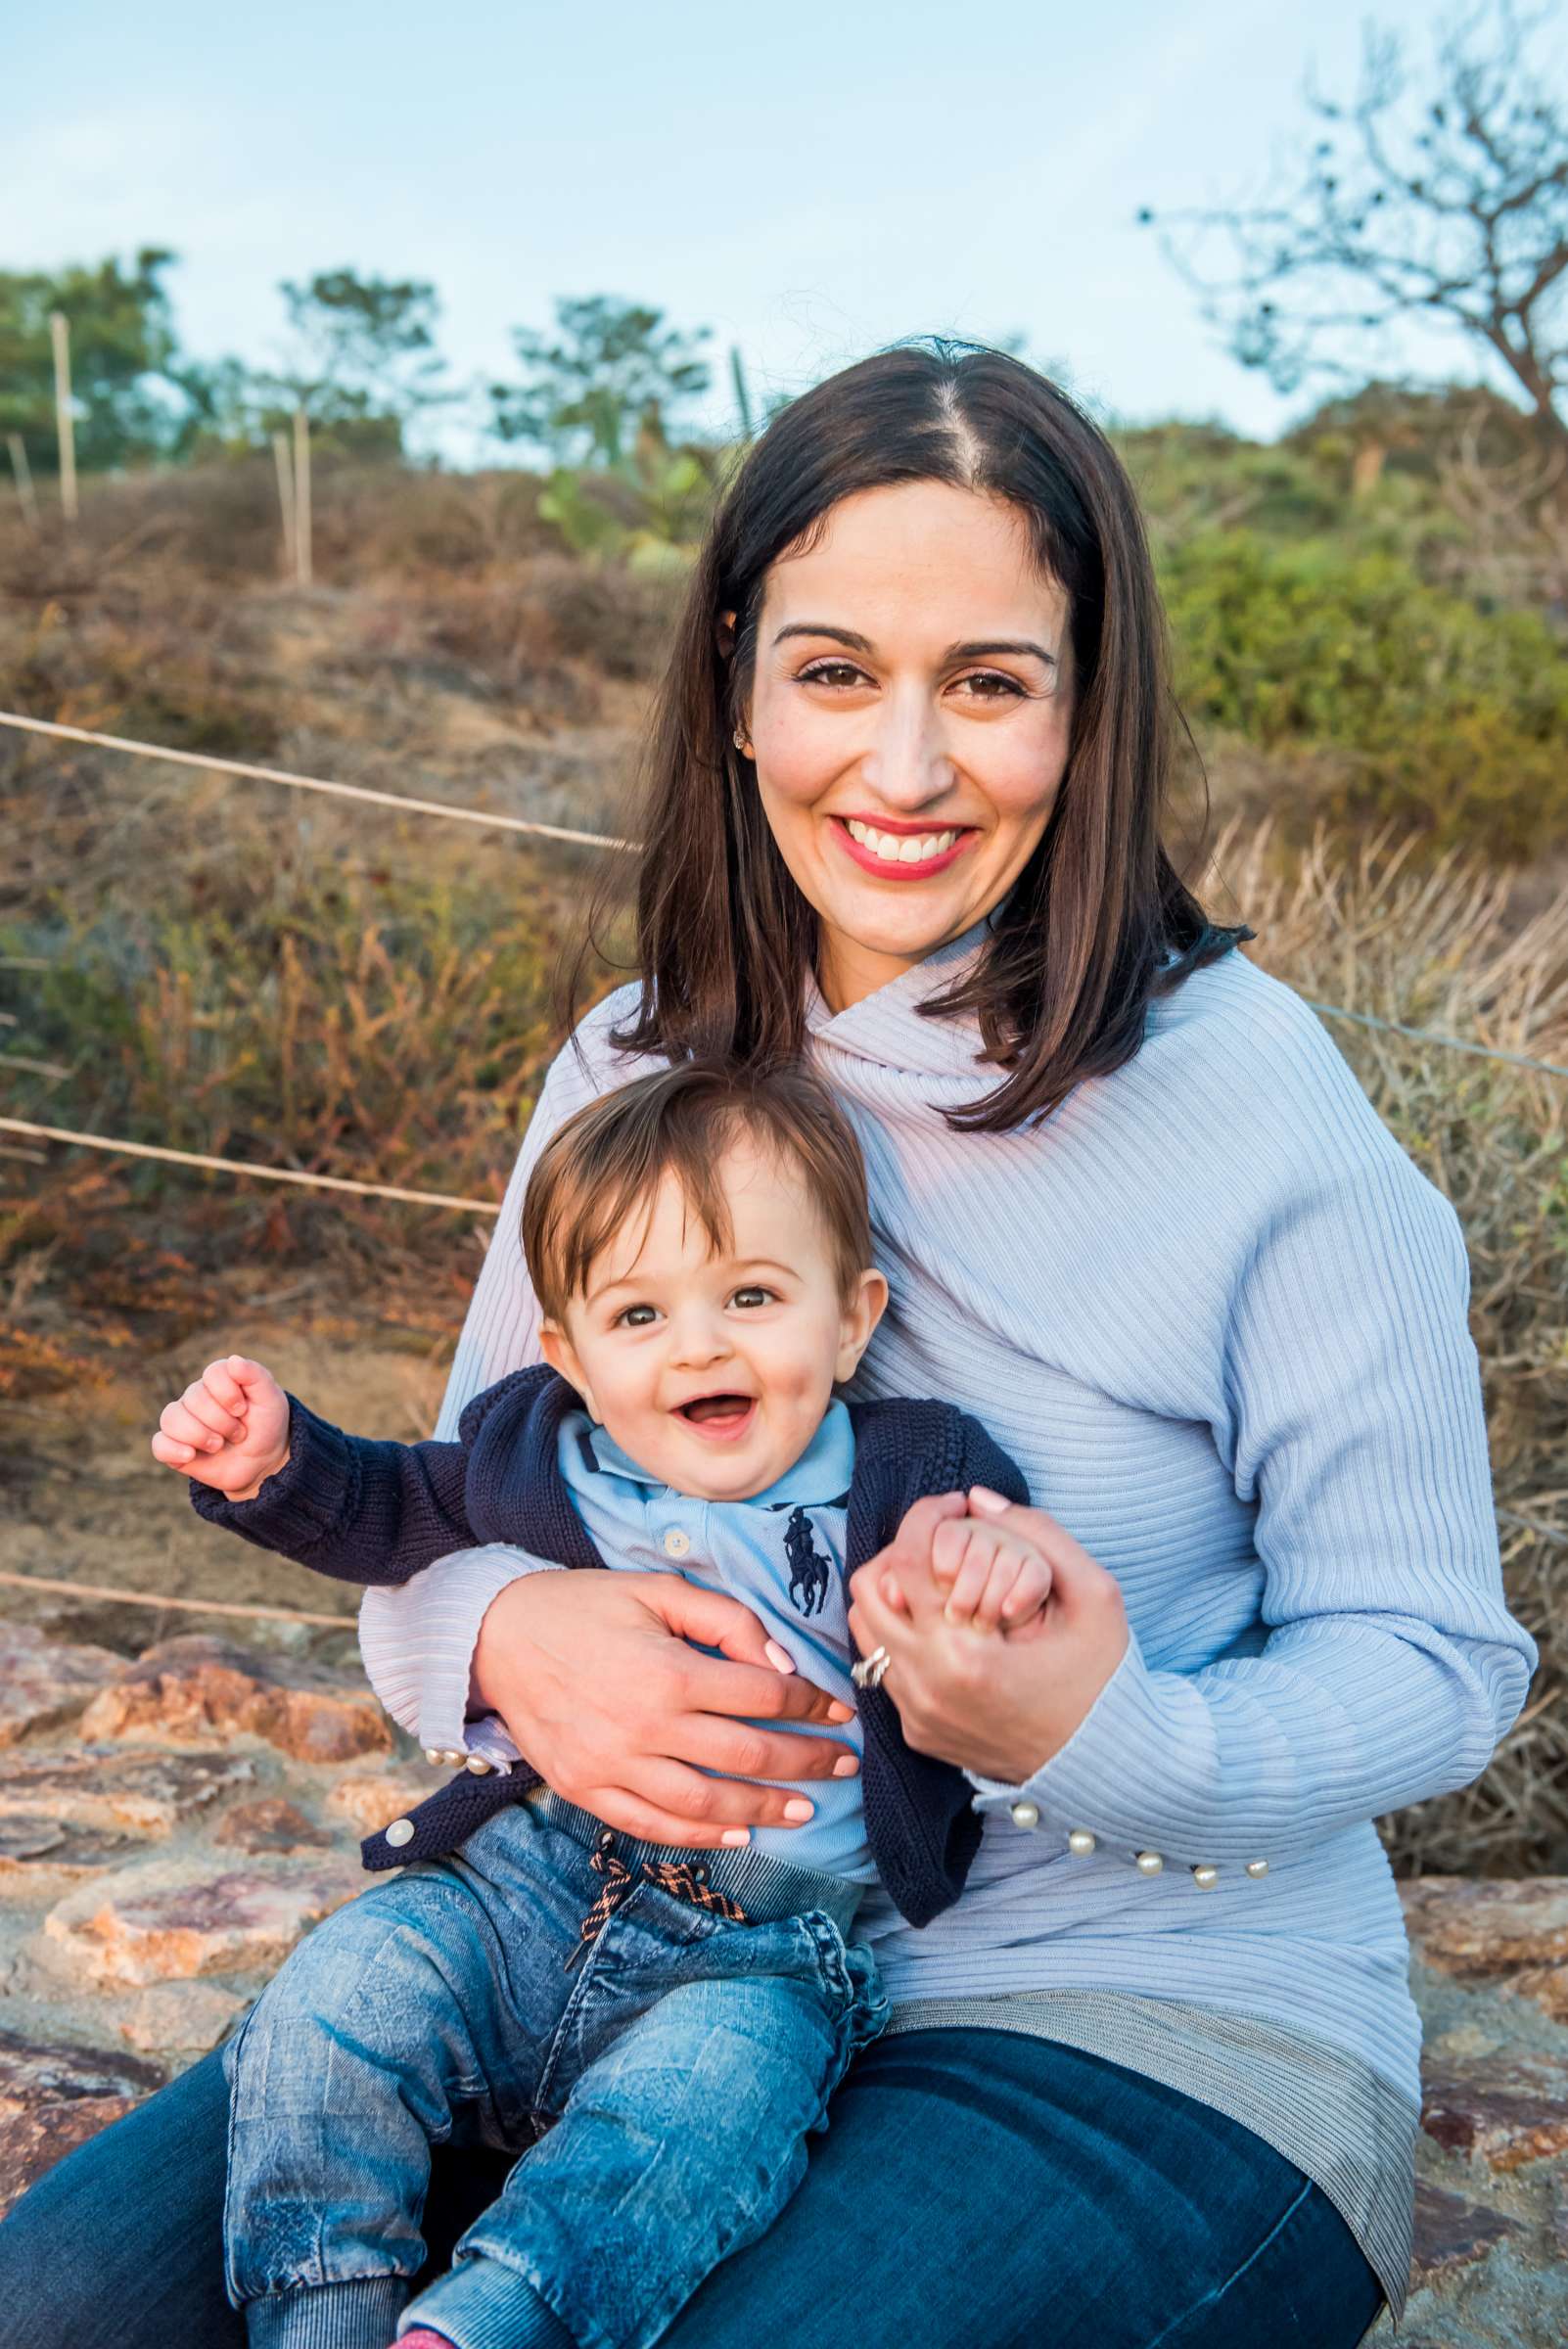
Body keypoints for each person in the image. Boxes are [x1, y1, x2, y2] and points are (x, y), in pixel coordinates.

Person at [0, 341, 1536, 2349]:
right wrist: (502, 1647)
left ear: (1088, 714)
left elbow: (1440, 1666)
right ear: (734, 685)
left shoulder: (1260, 1109)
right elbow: (463, 1513)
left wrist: (1105, 1734)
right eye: (832, 673)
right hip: (604, 1948)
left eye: (988, 683)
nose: (901, 772)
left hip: (1135, 2029)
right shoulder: (631, 1068)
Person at [148, 1060, 1042, 2349]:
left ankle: (482, 2327)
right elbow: (393, 1506)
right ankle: (321, 2318)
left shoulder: (918, 1473)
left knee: (681, 2133)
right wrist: (280, 1463)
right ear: (567, 1355)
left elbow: (1007, 1601)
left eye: (750, 1295)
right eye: (638, 1316)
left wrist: (998, 1572)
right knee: (333, 2005)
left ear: (851, 1321)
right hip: (522, 1880)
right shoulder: (542, 1453)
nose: (699, 1344)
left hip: (762, 1956)